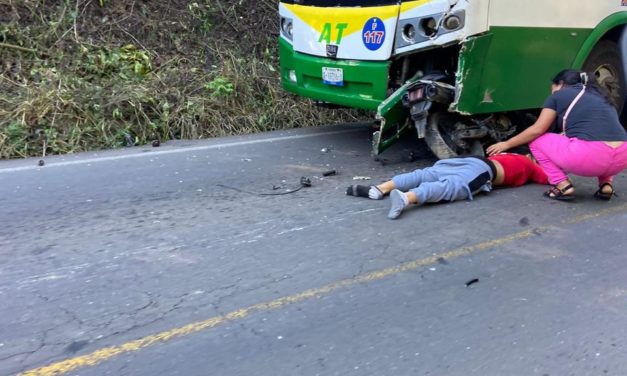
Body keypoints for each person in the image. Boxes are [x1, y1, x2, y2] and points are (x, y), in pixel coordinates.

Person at [487, 69, 627, 201]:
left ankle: (562, 185)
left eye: (552, 87)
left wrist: (506, 144)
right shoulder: (602, 97)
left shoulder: (559, 95)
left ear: (560, 84)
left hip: (589, 157)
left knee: (537, 141)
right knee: (604, 139)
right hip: (621, 158)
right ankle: (606, 185)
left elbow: (537, 130)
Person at [347, 153, 548, 219]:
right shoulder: (531, 165)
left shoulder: (512, 155)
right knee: (453, 186)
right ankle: (406, 198)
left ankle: (380, 188)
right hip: (482, 170)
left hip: (463, 160)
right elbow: (552, 179)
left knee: (426, 174)